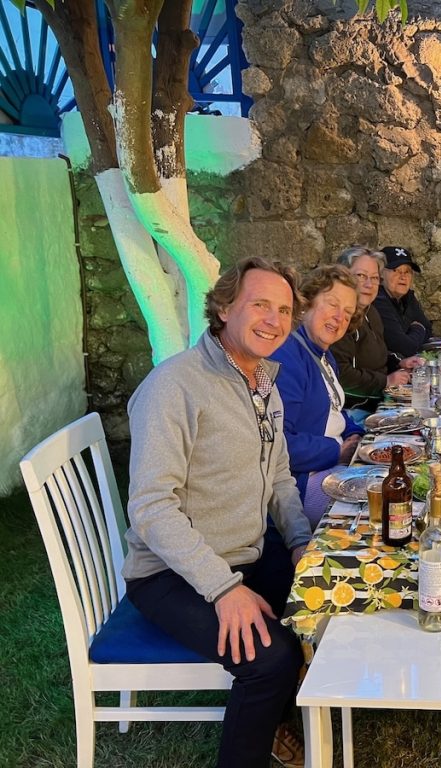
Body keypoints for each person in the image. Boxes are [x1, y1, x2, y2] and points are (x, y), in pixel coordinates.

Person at [122, 257, 313, 768]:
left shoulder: (262, 381)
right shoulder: (174, 386)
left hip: (246, 553)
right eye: (260, 305)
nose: (274, 320)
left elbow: (279, 476)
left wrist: (299, 541)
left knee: (324, 603)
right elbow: (151, 507)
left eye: (284, 310)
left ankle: (275, 722)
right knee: (272, 659)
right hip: (171, 573)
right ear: (225, 308)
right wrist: (224, 589)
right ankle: (263, 723)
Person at [270, 264, 365, 526]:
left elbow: (334, 408)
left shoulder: (324, 355)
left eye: (348, 313)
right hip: (303, 483)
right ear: (307, 303)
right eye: (332, 304)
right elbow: (279, 444)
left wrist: (355, 433)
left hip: (332, 467)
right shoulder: (288, 357)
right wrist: (337, 451)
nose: (340, 317)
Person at [331, 246, 423, 420]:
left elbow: (377, 355)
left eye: (374, 278)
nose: (369, 284)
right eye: (361, 276)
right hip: (354, 412)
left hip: (378, 402)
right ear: (343, 277)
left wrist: (399, 362)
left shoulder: (370, 311)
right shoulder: (339, 318)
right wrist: (386, 381)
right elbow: (340, 375)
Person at [373, 245, 433, 357]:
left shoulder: (407, 297)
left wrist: (410, 336)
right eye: (396, 271)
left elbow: (428, 329)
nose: (403, 277)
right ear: (381, 273)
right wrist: (417, 328)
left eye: (407, 271)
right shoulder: (378, 300)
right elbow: (405, 347)